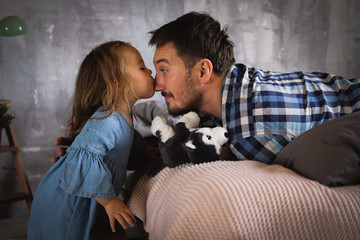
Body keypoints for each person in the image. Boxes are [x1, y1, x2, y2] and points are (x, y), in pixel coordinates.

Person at [54, 11, 360, 165]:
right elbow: (187, 141)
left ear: (203, 70)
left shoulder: (255, 122)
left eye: (163, 69)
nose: (157, 83)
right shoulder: (225, 100)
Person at [28, 41, 155, 239]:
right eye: (141, 67)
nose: (150, 71)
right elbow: (86, 160)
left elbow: (124, 143)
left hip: (97, 193)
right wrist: (109, 202)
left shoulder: (120, 117)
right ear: (117, 82)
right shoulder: (108, 120)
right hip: (73, 197)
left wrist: (146, 151)